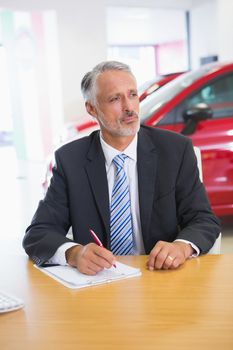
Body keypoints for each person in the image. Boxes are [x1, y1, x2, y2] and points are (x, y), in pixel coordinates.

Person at [23, 60, 220, 275]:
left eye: (133, 95)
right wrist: (73, 253)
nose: (129, 108)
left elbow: (204, 220)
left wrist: (182, 247)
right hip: (99, 281)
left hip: (160, 275)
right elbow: (38, 233)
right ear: (92, 108)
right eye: (115, 99)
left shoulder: (175, 150)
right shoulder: (70, 160)